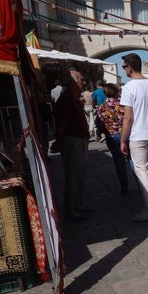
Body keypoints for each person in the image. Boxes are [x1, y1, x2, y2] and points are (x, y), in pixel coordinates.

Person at [119, 52, 148, 221]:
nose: (124, 69)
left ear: (130, 67)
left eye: (124, 66)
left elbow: (128, 117)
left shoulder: (129, 87)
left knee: (141, 170)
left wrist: (123, 139)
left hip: (139, 134)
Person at [52, 69, 90, 221]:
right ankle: (72, 211)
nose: (84, 82)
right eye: (81, 79)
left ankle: (77, 207)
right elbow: (62, 124)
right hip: (72, 141)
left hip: (79, 140)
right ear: (72, 82)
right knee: (73, 177)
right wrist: (59, 141)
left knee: (79, 176)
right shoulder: (66, 99)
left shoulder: (73, 98)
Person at [95, 83, 129, 195]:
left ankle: (124, 186)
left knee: (118, 162)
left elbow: (99, 122)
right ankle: (140, 183)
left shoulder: (101, 107)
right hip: (125, 134)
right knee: (132, 159)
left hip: (112, 136)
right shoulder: (123, 104)